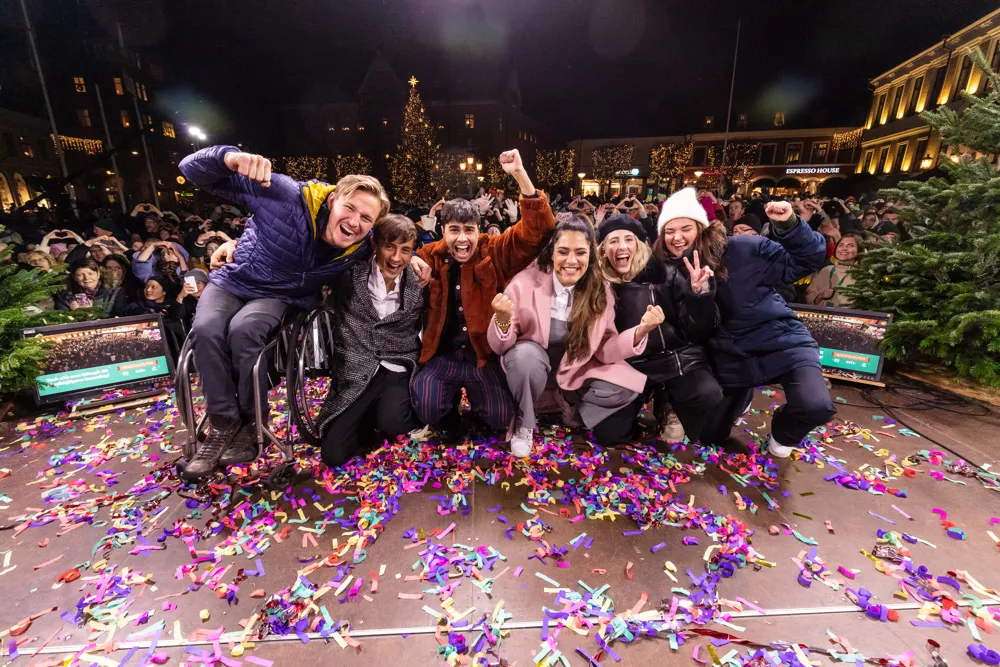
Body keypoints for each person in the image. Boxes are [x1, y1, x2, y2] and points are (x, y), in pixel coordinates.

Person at [176, 146, 427, 481]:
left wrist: (413, 257)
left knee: (244, 331)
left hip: (279, 295)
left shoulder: (361, 246)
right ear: (334, 198)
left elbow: (392, 245)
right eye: (349, 208)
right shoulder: (286, 195)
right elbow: (192, 171)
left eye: (366, 218)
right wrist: (228, 158)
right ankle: (223, 422)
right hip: (232, 281)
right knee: (206, 329)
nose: (354, 222)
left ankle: (252, 421)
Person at [654, 189, 835, 457]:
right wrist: (698, 295)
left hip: (781, 343)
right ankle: (741, 398)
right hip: (730, 358)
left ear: (701, 228)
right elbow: (693, 329)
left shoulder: (743, 249)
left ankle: (785, 432)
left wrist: (789, 225)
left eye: (685, 228)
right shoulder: (667, 273)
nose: (677, 237)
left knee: (816, 406)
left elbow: (805, 260)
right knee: (709, 435)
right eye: (669, 230)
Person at [488, 216, 664, 456]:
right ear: (551, 252)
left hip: (574, 373)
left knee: (624, 386)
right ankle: (524, 422)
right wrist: (502, 319)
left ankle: (569, 407)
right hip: (531, 371)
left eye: (580, 252)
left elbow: (604, 349)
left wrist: (640, 330)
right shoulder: (524, 282)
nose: (571, 261)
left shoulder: (600, 289)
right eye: (563, 251)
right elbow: (501, 347)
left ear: (590, 255)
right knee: (524, 356)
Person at [413, 149, 554, 440]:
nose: (462, 239)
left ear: (479, 230)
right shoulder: (429, 255)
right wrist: (410, 262)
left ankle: (479, 410)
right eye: (454, 230)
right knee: (425, 406)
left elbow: (536, 231)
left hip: (483, 357)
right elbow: (393, 255)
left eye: (469, 230)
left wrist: (519, 174)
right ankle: (447, 409)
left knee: (500, 416)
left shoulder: (495, 251)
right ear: (442, 231)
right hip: (443, 357)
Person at [598, 212, 723, 444]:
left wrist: (699, 296)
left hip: (675, 359)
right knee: (609, 433)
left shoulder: (666, 272)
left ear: (640, 244)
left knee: (707, 394)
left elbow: (696, 329)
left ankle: (669, 401)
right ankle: (641, 401)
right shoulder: (600, 284)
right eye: (613, 241)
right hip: (630, 366)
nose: (621, 247)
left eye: (628, 239)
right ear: (603, 250)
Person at [316, 214, 424, 468]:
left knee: (395, 425)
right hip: (356, 368)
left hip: (397, 367)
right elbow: (312, 256)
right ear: (375, 244)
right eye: (390, 247)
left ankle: (382, 416)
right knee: (333, 455)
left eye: (406, 250)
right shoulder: (349, 271)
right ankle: (364, 418)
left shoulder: (419, 280)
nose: (397, 258)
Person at [805, 234, 862, 308]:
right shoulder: (826, 270)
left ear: (859, 251)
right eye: (841, 245)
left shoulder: (862, 275)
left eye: (850, 245)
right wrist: (819, 297)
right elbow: (808, 297)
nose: (844, 248)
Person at [54, 258, 123, 315]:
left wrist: (91, 315)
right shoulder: (64, 295)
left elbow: (118, 318)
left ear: (98, 274)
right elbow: (61, 320)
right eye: (80, 275)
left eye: (90, 274)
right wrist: (75, 313)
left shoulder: (115, 292)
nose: (86, 278)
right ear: (74, 277)